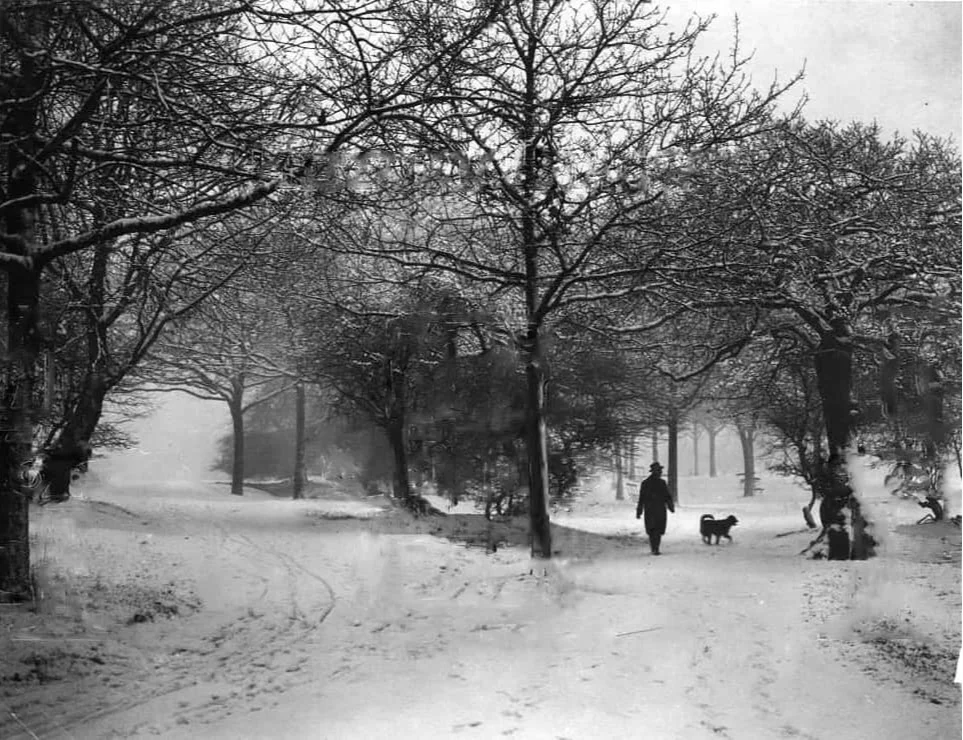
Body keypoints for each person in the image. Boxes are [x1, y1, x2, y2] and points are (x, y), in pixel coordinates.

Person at [636, 462, 675, 555]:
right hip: (658, 510)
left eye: (660, 470)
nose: (661, 472)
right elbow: (667, 496)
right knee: (657, 529)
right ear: (655, 471)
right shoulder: (660, 483)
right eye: (659, 470)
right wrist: (670, 506)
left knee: (652, 530)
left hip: (651, 510)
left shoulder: (646, 483)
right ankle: (655, 548)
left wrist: (639, 511)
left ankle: (654, 548)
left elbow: (642, 499)